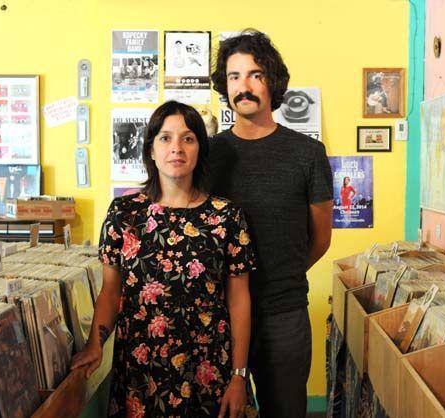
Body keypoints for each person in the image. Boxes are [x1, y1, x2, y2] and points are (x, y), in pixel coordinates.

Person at [71, 100, 257, 418]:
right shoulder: (124, 214)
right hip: (140, 374)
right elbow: (111, 291)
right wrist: (94, 344)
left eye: (188, 138)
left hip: (209, 370)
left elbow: (239, 299)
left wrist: (239, 377)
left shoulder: (227, 216)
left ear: (200, 149)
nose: (177, 148)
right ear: (151, 150)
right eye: (165, 138)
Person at [209, 30, 333, 418]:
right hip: (217, 316)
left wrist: (282, 276)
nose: (242, 87)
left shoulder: (307, 154)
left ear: (273, 82)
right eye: (233, 76)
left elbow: (320, 239)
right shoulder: (209, 154)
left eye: (254, 75)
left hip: (284, 316)